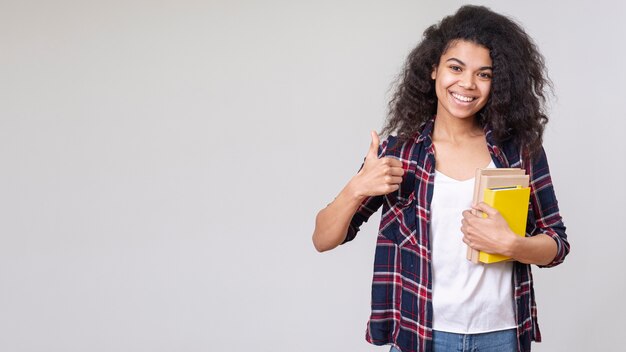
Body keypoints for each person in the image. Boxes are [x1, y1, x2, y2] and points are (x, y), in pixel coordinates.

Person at [311, 5, 570, 352]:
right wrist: (357, 187)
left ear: (499, 82)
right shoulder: (399, 152)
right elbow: (323, 238)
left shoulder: (519, 151)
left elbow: (556, 243)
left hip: (502, 335)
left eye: (484, 74)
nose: (467, 83)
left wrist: (514, 246)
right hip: (421, 333)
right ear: (433, 70)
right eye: (456, 68)